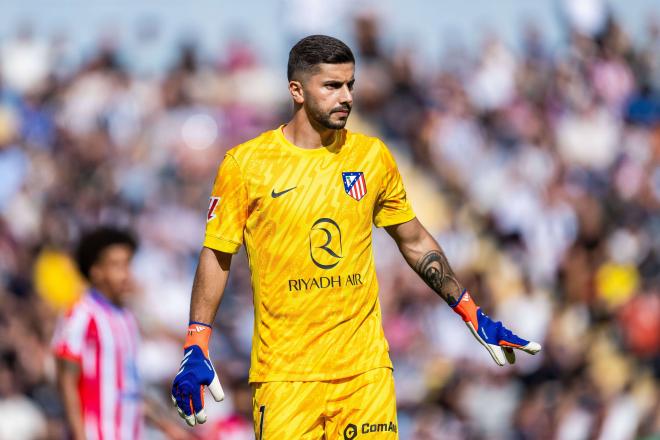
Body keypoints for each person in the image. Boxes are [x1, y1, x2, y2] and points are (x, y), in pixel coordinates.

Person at [171, 35, 541, 439]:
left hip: (365, 374)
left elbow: (414, 240)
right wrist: (197, 343)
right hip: (286, 377)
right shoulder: (246, 165)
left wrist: (471, 312)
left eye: (350, 85)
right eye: (332, 86)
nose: (346, 97)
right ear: (296, 90)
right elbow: (217, 254)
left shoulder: (371, 157)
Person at [53, 227, 186, 440]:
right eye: (117, 265)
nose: (126, 274)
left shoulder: (127, 318)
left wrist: (167, 426)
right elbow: (66, 381)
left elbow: (129, 387)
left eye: (128, 265)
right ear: (95, 271)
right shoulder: (81, 314)